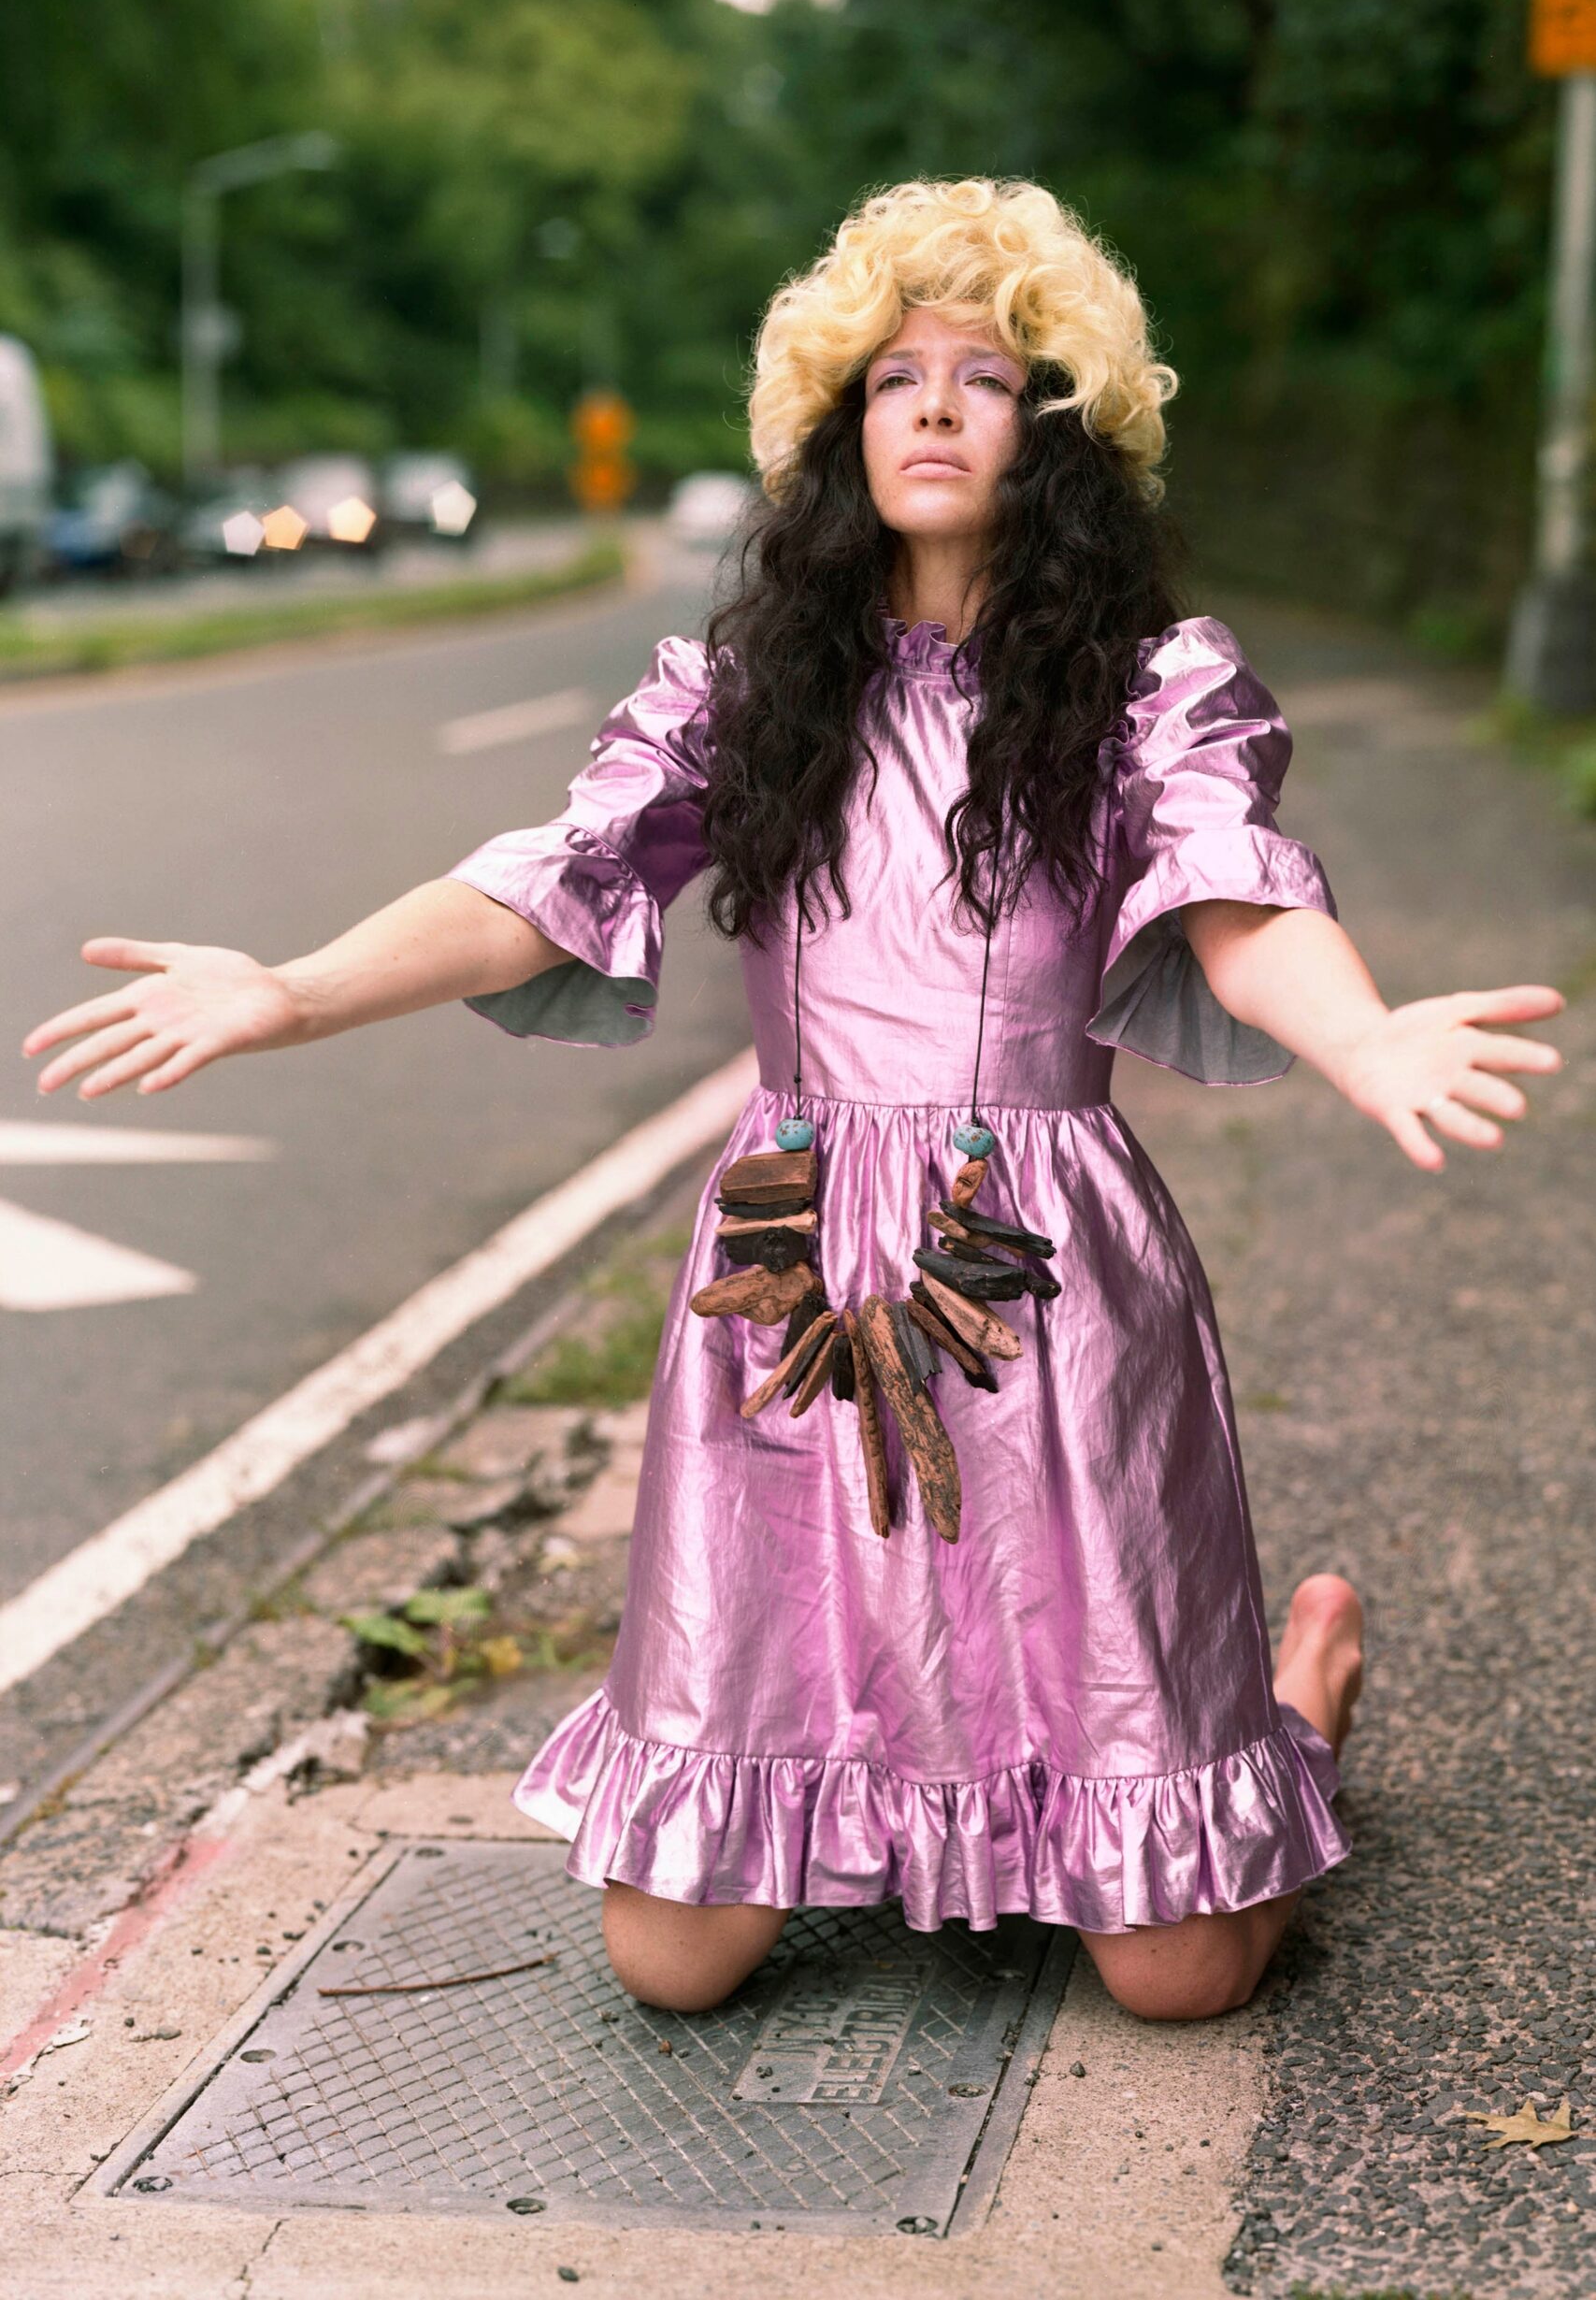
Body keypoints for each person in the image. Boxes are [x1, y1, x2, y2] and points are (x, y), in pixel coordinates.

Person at [22, 178, 1564, 2026]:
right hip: (784, 1276)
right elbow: (540, 879)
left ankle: (1289, 1694)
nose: (929, 406)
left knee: (1175, 1972)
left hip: (1047, 1275)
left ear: (1056, 430)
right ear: (835, 424)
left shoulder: (1149, 689)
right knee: (668, 1960)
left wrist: (1361, 1030)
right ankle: (903, 1782)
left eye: (983, 377)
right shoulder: (747, 688)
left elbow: (1229, 902)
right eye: (890, 375)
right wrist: (291, 989)